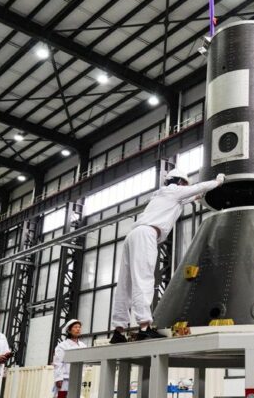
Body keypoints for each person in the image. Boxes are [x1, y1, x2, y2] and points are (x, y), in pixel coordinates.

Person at [110, 168, 226, 343]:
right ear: (179, 182)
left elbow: (190, 196)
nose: (185, 187)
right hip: (146, 234)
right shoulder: (173, 191)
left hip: (133, 235)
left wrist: (198, 196)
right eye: (184, 184)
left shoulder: (163, 194)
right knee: (143, 278)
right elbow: (197, 188)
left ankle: (118, 331)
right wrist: (217, 182)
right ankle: (144, 328)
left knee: (125, 284)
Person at [52, 319, 87, 398]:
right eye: (75, 327)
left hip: (78, 379)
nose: (78, 329)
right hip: (65, 380)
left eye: (79, 327)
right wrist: (58, 378)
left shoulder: (83, 346)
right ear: (69, 330)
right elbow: (58, 363)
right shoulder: (62, 346)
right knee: (62, 396)